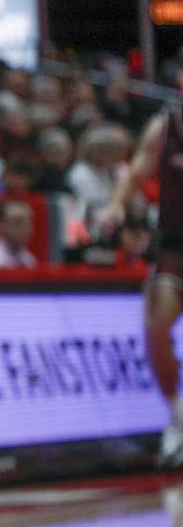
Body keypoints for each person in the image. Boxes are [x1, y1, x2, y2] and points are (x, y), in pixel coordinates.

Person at [96, 93, 182, 466]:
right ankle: (177, 418)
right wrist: (116, 203)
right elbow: (136, 173)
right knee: (156, 325)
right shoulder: (168, 126)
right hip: (175, 246)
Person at [0, 197, 38, 268]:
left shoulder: (28, 258)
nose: (26, 228)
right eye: (17, 222)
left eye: (28, 222)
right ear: (0, 226)